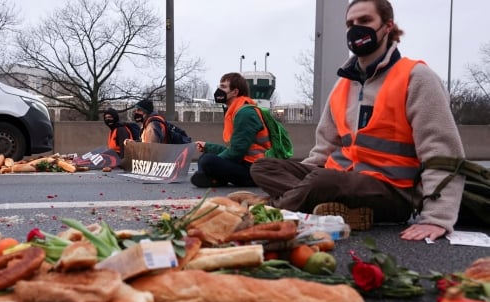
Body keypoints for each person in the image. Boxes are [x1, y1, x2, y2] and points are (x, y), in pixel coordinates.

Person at [248, 0, 465, 241]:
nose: (355, 29)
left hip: (392, 190)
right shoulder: (343, 85)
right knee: (263, 166)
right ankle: (335, 211)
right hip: (338, 178)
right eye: (350, 24)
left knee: (322, 181)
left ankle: (271, 212)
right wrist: (305, 179)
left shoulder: (416, 77)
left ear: (387, 26)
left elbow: (442, 151)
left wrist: (438, 218)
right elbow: (323, 149)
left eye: (365, 21)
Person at [191, 72, 272, 188]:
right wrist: (208, 146)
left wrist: (214, 161)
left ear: (235, 92)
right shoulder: (236, 110)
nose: (219, 90)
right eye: (219, 86)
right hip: (246, 162)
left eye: (223, 87)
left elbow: (236, 152)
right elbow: (234, 149)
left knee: (207, 161)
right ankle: (214, 178)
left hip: (255, 170)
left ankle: (213, 178)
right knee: (206, 156)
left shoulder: (245, 113)